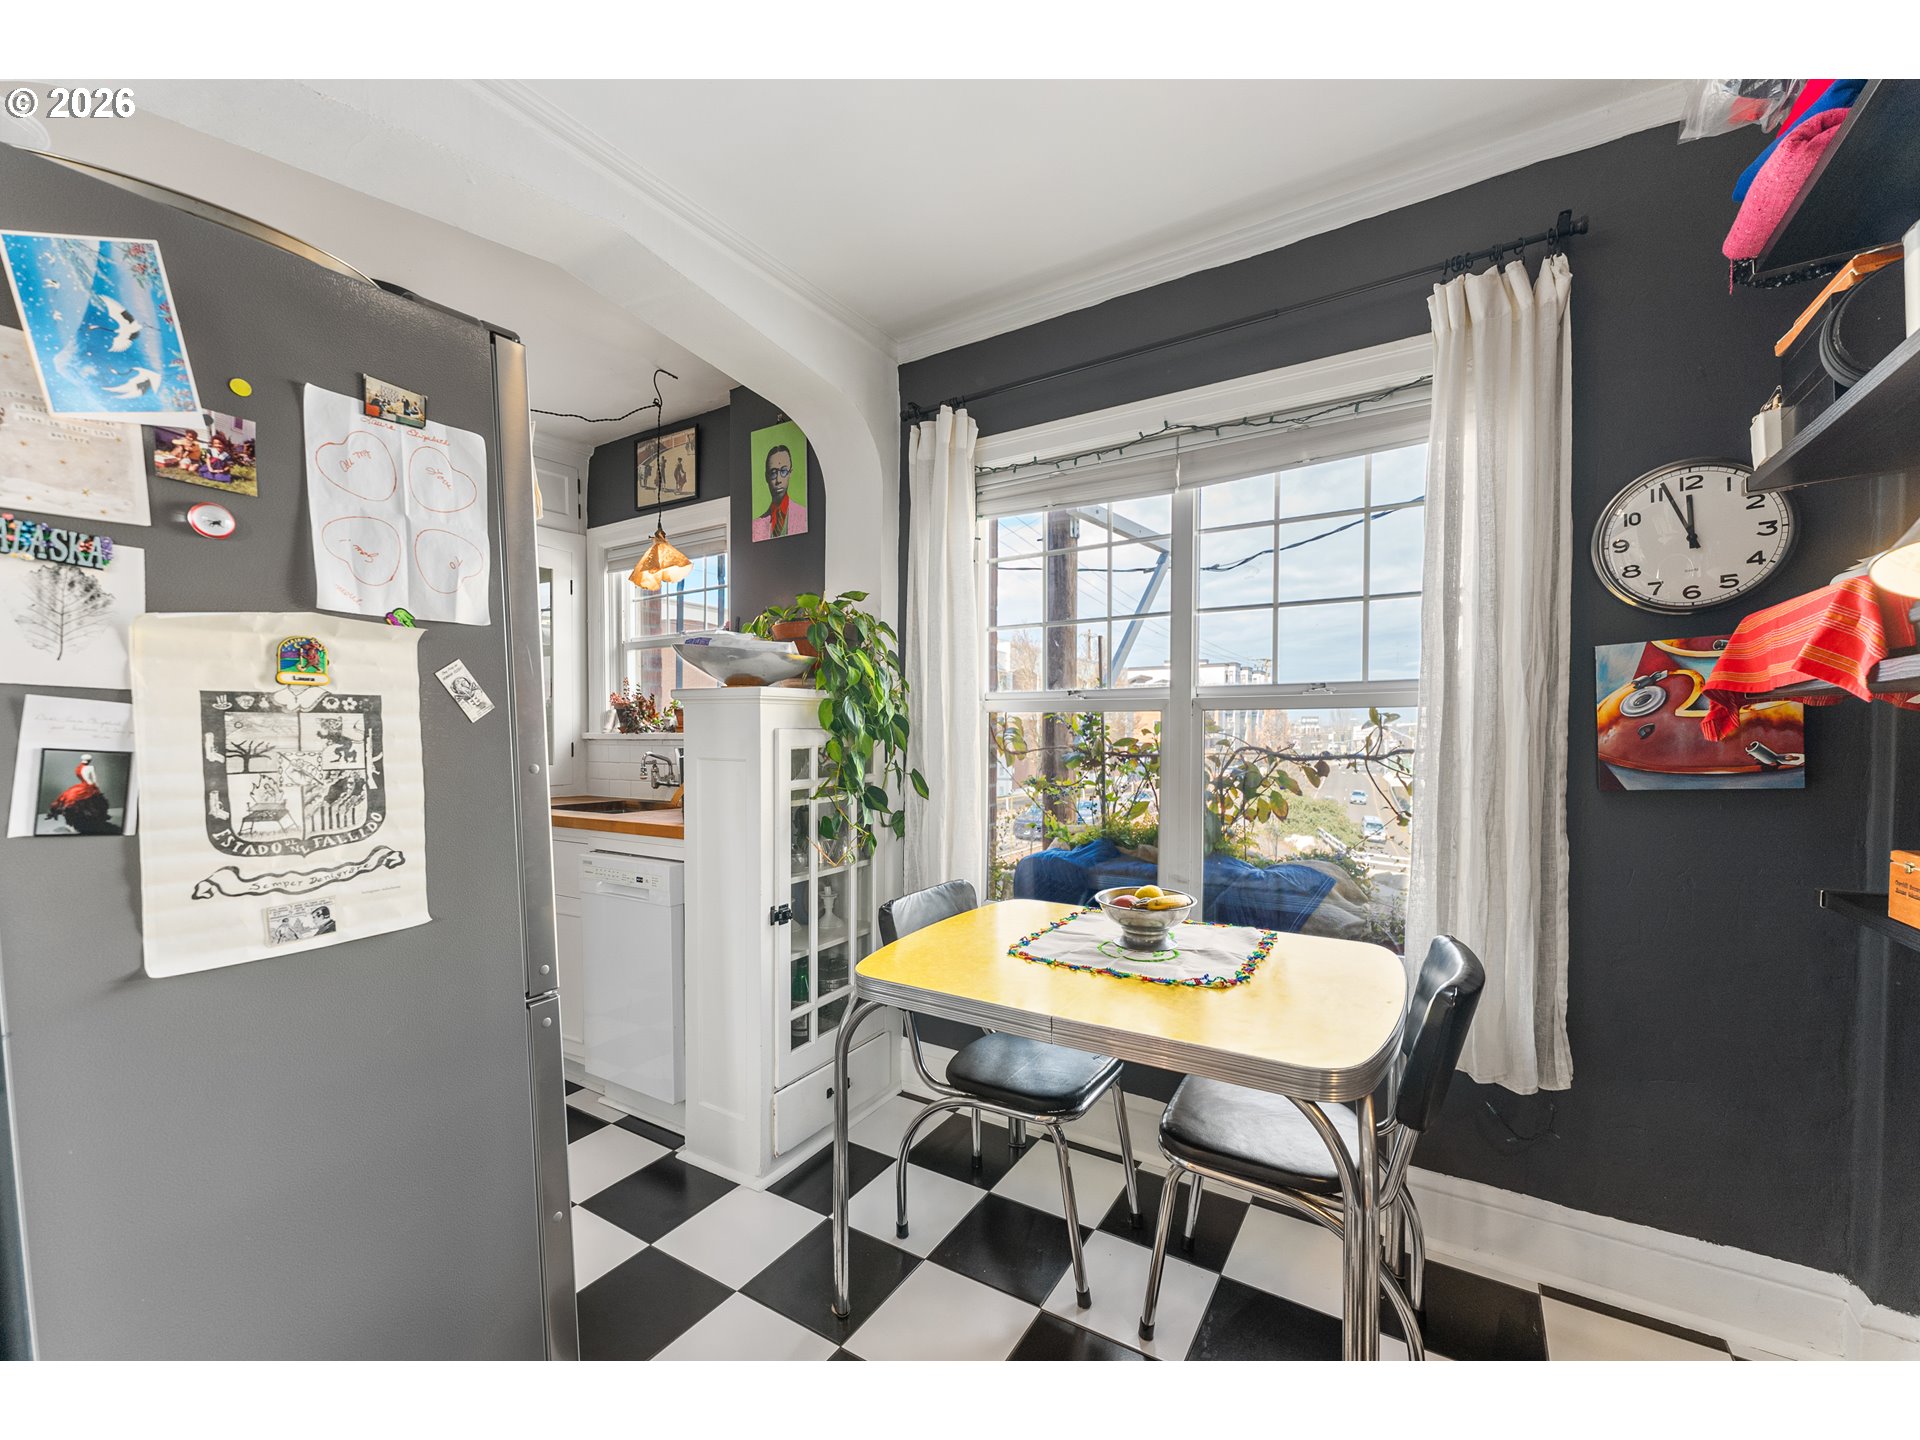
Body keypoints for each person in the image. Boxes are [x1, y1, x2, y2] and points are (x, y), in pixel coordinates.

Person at [751, 443, 808, 540]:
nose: (778, 480)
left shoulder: (804, 516)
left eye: (784, 471)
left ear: (790, 473)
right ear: (766, 477)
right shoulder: (756, 525)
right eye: (773, 472)